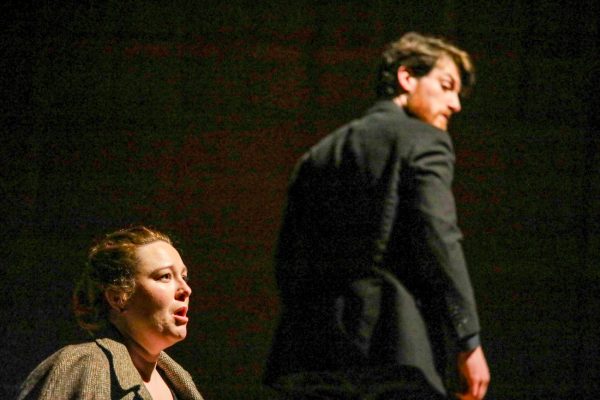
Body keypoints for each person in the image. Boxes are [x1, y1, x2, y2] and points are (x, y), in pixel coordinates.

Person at [265, 32, 490, 399]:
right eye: (446, 86)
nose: (455, 104)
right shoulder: (424, 139)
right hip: (392, 348)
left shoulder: (319, 154)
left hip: (309, 350)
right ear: (406, 78)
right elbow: (439, 239)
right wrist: (468, 338)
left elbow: (287, 261)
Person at [18, 226, 205, 400]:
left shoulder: (178, 384)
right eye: (165, 276)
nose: (186, 289)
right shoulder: (83, 366)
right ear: (118, 298)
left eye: (184, 276)